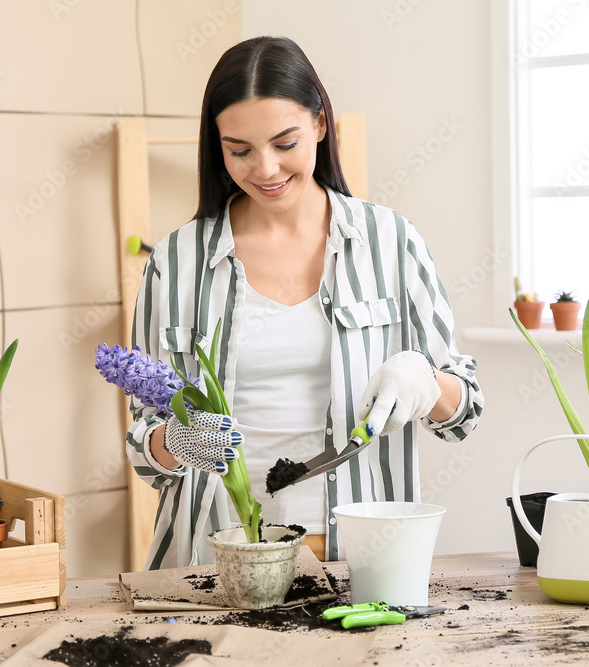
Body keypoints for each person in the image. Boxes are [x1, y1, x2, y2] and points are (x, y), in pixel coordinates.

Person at [125, 36, 482, 569]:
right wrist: (175, 440)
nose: (265, 169)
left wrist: (427, 381)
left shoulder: (391, 241)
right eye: (239, 150)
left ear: (319, 124)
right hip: (213, 559)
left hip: (365, 559)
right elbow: (143, 447)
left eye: (284, 143)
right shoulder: (177, 260)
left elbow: (464, 413)